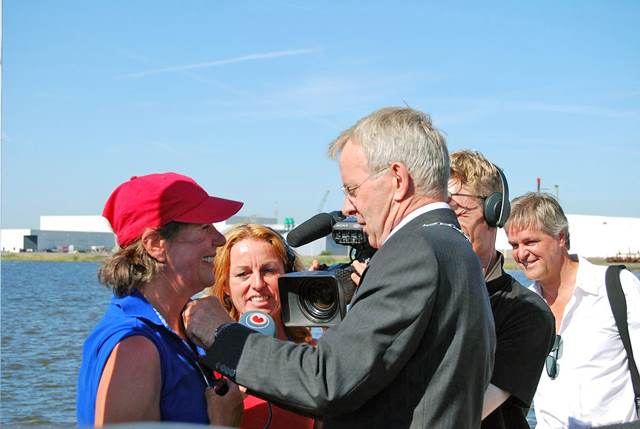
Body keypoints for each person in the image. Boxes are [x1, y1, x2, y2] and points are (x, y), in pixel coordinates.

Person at [183, 107, 496, 428]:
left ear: (398, 180)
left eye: (352, 189)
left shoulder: (414, 251)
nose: (347, 207)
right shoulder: (455, 247)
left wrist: (223, 336)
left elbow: (328, 380)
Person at [76, 172, 244, 427]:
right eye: (204, 227)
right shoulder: (135, 348)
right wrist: (223, 424)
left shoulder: (176, 330)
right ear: (155, 245)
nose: (220, 240)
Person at [505, 192, 640, 428]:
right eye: (514, 245)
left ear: (561, 237)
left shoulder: (617, 289)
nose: (520, 254)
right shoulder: (524, 305)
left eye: (530, 242)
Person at [448, 150, 555, 429]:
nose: (445, 223)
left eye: (457, 210)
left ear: (495, 212)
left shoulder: (528, 313)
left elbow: (461, 413)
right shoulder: (412, 291)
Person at [204, 223, 317, 429]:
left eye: (268, 270)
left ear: (288, 276)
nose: (257, 284)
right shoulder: (205, 363)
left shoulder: (314, 357)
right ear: (225, 286)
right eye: (243, 274)